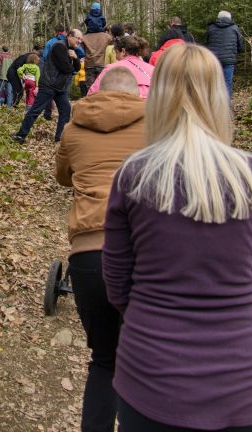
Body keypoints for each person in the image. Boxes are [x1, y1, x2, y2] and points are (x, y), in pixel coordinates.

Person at [103, 43, 252, 432]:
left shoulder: (134, 176)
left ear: (158, 98)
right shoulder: (250, 175)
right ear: (218, 96)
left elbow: (117, 286)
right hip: (243, 382)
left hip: (151, 379)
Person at [55, 67, 146, 432]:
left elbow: (62, 176)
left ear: (97, 91)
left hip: (88, 254)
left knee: (105, 359)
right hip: (143, 253)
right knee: (143, 362)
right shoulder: (157, 126)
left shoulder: (73, 128)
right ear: (137, 94)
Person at [12, 29, 83, 144]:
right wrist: (73, 65)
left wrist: (75, 58)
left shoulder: (71, 50)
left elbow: (77, 68)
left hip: (61, 87)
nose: (79, 41)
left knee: (65, 110)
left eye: (81, 39)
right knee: (36, 110)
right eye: (78, 38)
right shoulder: (59, 46)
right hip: (49, 84)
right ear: (70, 36)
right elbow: (67, 68)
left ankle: (60, 138)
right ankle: (20, 135)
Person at [89, 36, 154, 99]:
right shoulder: (152, 69)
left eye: (116, 52)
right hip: (151, 104)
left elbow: (92, 94)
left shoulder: (112, 68)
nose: (116, 57)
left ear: (123, 51)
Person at [206, 10, 244, 98]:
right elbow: (241, 45)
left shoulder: (211, 27)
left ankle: (213, 104)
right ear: (229, 18)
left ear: (218, 17)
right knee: (227, 83)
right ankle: (226, 105)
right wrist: (236, 52)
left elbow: (207, 42)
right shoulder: (235, 28)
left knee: (214, 83)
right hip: (229, 60)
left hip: (214, 60)